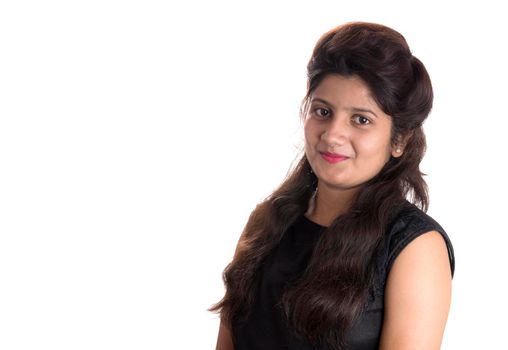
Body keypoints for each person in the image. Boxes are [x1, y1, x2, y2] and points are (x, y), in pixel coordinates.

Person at [209, 21, 455, 350]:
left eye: (361, 119)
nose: (333, 135)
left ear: (399, 139)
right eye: (323, 111)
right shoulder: (266, 222)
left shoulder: (414, 248)